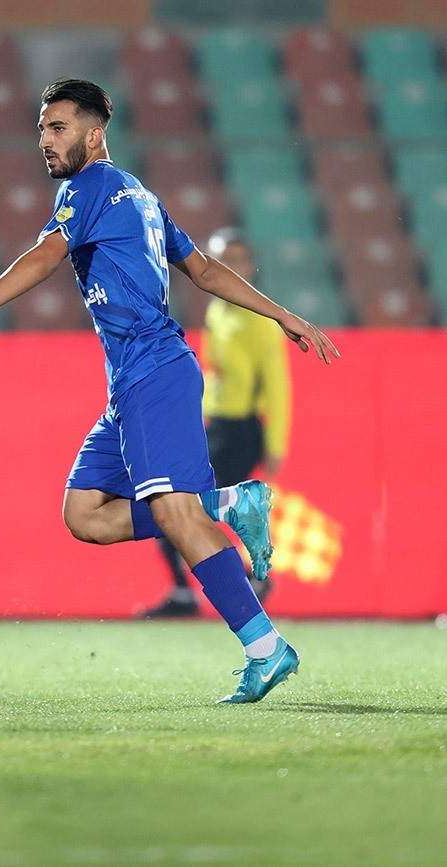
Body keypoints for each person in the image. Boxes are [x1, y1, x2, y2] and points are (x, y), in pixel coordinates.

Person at [0, 79, 338, 704]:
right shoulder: (138, 194)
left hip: (155, 371)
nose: (45, 141)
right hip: (131, 384)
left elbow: (45, 255)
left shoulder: (85, 190)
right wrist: (285, 314)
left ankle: (266, 649)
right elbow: (202, 268)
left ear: (93, 133)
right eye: (40, 129)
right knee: (84, 514)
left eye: (57, 129)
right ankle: (228, 507)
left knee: (175, 514)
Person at [141, 228, 292, 618]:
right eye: (225, 259)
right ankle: (232, 581)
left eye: (240, 259)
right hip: (215, 426)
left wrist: (275, 445)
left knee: (178, 507)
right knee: (175, 507)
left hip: (241, 430)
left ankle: (195, 590)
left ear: (252, 267)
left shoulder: (258, 319)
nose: (233, 267)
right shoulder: (218, 310)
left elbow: (278, 386)